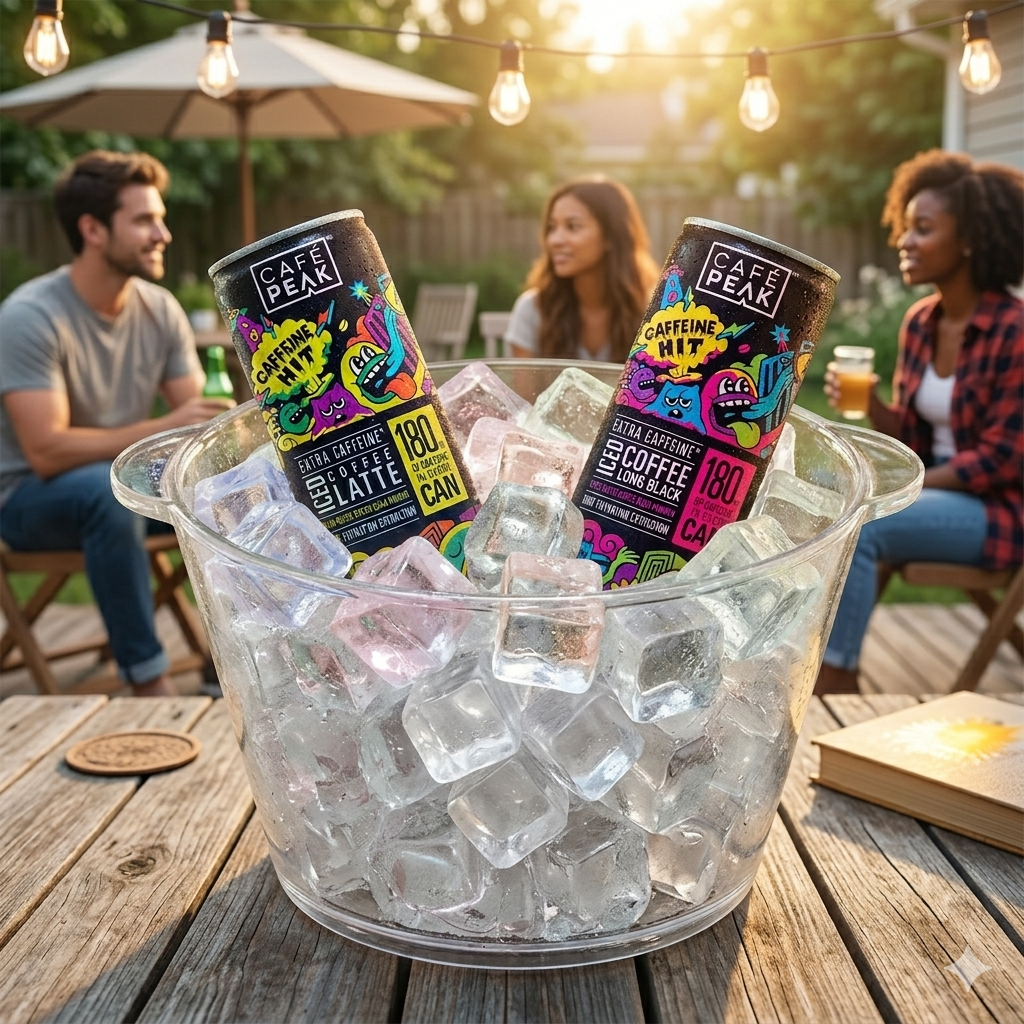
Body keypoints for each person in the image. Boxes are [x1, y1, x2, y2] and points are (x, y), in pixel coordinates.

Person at [0, 150, 233, 696]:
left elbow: (194, 433)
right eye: (145, 220)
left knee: (221, 490)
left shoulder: (159, 309)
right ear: (93, 229)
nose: (164, 234)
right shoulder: (31, 317)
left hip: (113, 492)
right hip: (26, 500)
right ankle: (149, 682)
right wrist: (167, 424)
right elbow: (46, 451)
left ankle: (230, 660)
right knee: (107, 498)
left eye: (161, 217)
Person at [816, 150, 1023, 695]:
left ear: (971, 239)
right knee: (823, 497)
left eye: (923, 229)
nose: (904, 241)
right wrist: (876, 406)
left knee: (864, 520)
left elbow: (1006, 458)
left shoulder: (1016, 330)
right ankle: (811, 659)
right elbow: (911, 437)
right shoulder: (920, 324)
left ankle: (835, 682)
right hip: (937, 495)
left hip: (1001, 511)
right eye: (904, 227)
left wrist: (908, 486)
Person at [506, 177, 660, 362]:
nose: (554, 240)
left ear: (610, 236)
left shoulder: (654, 313)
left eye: (572, 226)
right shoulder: (532, 309)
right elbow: (524, 392)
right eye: (551, 227)